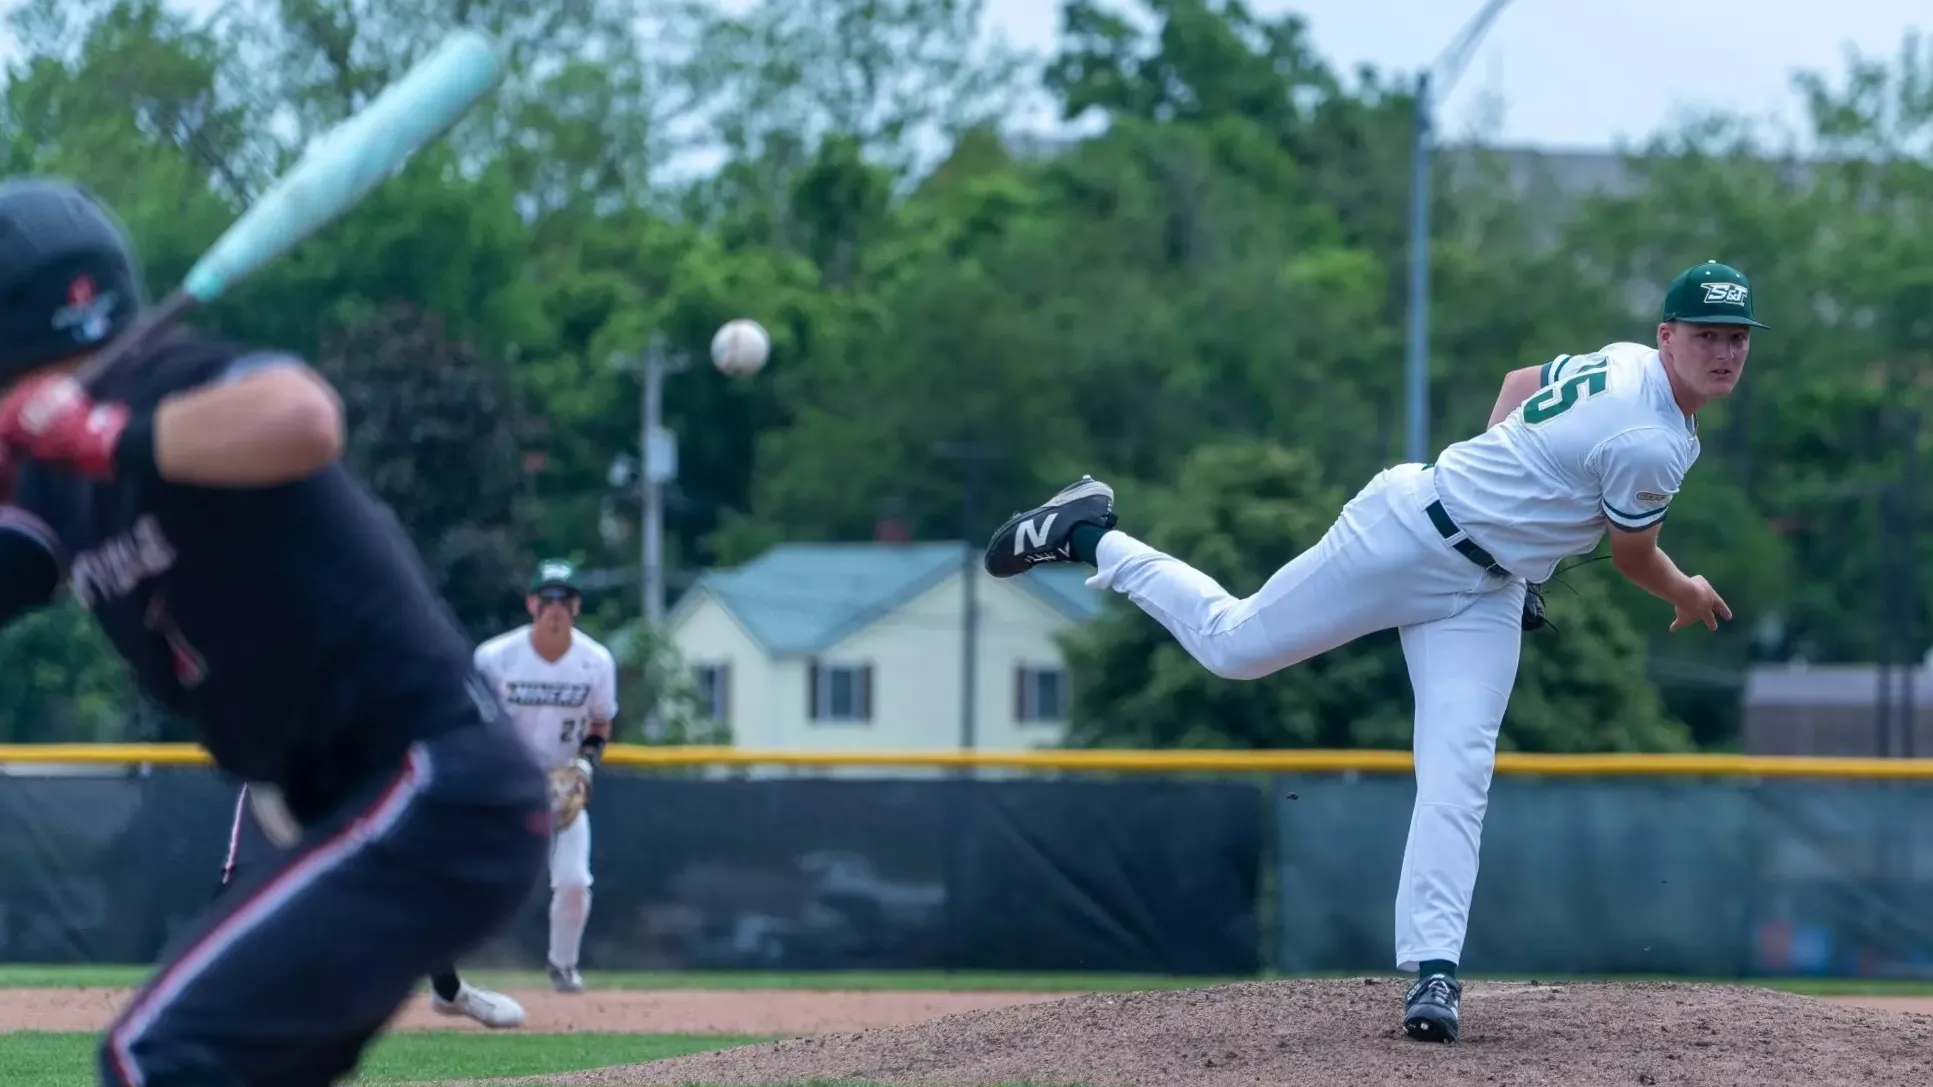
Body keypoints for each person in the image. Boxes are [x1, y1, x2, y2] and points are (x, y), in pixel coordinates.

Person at [982, 259, 1758, 1044]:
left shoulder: (1627, 363)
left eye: (1735, 338)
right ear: (1668, 336)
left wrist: (1508, 507)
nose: (1723, 352)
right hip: (1407, 536)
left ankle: (1434, 973)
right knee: (1234, 646)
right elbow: (1633, 559)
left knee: (1458, 770)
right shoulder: (1647, 437)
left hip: (1485, 589)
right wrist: (1686, 592)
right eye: (1705, 336)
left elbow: (1519, 382)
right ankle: (1083, 531)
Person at [0, 177, 550, 1085]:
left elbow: (302, 418)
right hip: (363, 807)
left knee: (157, 1055)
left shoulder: (168, 385)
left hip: (435, 784)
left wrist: (103, 434)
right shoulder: (51, 483)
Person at [216, 782, 529, 1029]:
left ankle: (449, 990)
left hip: (353, 762)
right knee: (241, 887)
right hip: (284, 770)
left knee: (411, 878)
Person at [472, 559, 618, 994]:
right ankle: (432, 965)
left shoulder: (595, 662)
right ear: (532, 603)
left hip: (561, 783)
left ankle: (563, 966)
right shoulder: (496, 658)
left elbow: (600, 725)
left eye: (565, 598)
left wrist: (585, 763)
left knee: (574, 882)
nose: (556, 606)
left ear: (576, 606)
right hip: (504, 785)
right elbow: (476, 722)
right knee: (464, 875)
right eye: (548, 597)